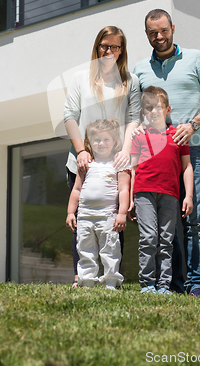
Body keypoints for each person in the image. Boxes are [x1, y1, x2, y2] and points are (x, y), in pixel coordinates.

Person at [133, 9, 200, 297]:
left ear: (173, 27)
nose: (158, 36)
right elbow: (135, 112)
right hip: (154, 155)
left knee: (194, 218)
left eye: (163, 30)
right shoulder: (139, 69)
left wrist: (194, 124)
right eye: (152, 33)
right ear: (146, 34)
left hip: (190, 149)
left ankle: (197, 284)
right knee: (163, 224)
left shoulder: (195, 58)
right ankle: (172, 282)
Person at [64, 26, 141, 287]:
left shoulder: (130, 81)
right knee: (83, 221)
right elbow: (70, 117)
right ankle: (82, 277)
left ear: (122, 51)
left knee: (114, 221)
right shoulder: (79, 78)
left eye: (115, 47)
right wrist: (81, 150)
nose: (109, 51)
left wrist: (127, 153)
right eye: (104, 46)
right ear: (97, 47)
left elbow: (133, 119)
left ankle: (111, 277)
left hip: (115, 166)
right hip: (83, 164)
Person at [130, 86, 193, 294]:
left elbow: (187, 167)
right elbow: (133, 167)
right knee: (149, 237)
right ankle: (147, 283)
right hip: (143, 192)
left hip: (170, 194)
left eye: (158, 106)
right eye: (148, 108)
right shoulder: (139, 136)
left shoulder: (178, 136)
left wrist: (189, 196)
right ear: (143, 112)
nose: (153, 111)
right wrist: (130, 198)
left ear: (167, 109)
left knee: (166, 240)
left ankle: (164, 285)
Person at [66, 119, 130, 289]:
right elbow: (77, 190)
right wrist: (71, 212)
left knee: (110, 250)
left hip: (108, 216)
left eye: (106, 139)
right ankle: (87, 281)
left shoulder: (119, 164)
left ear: (114, 141)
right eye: (97, 140)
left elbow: (124, 190)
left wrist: (122, 213)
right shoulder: (86, 165)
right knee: (85, 250)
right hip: (85, 216)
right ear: (89, 142)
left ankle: (111, 282)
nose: (101, 143)